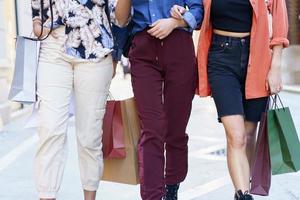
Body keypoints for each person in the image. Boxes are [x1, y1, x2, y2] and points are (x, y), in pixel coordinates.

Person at [172, 0, 289, 199]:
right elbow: (200, 14)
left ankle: (243, 188)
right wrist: (185, 13)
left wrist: (275, 67)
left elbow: (279, 19)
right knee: (237, 136)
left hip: (257, 59)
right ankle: (243, 193)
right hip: (220, 60)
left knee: (249, 134)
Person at [31, 0, 124, 199]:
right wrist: (37, 25)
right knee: (50, 128)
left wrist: (116, 55)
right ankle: (46, 195)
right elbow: (37, 11)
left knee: (89, 136)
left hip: (96, 49)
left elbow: (121, 18)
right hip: (53, 49)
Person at [117, 1, 204, 200]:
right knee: (152, 128)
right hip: (143, 50)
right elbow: (121, 20)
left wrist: (176, 22)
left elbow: (199, 10)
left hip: (179, 48)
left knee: (176, 129)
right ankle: (152, 195)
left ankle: (171, 188)